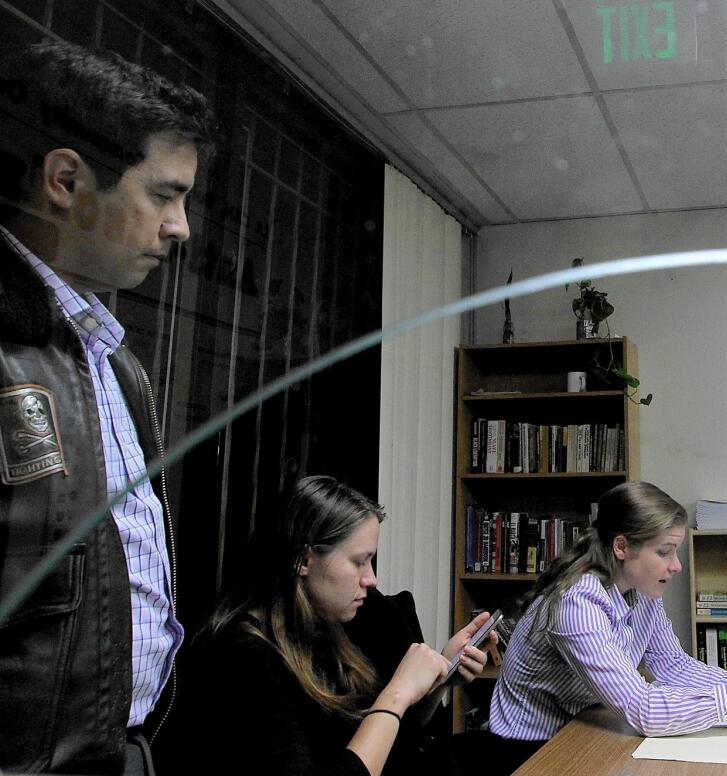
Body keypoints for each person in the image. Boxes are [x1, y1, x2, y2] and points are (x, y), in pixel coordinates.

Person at [0, 40, 213, 774]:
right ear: (66, 180)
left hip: (121, 751)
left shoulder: (117, 362)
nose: (182, 227)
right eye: (164, 194)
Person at [486, 481, 727, 773]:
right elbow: (643, 708)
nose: (676, 566)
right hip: (530, 749)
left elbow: (673, 665)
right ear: (621, 547)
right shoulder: (578, 602)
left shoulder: (641, 589)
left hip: (585, 725)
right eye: (664, 552)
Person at [183, 475, 498, 776]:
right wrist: (397, 694)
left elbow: (385, 755)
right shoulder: (241, 656)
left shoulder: (333, 626)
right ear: (302, 561)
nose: (371, 578)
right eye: (359, 561)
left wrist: (437, 683)